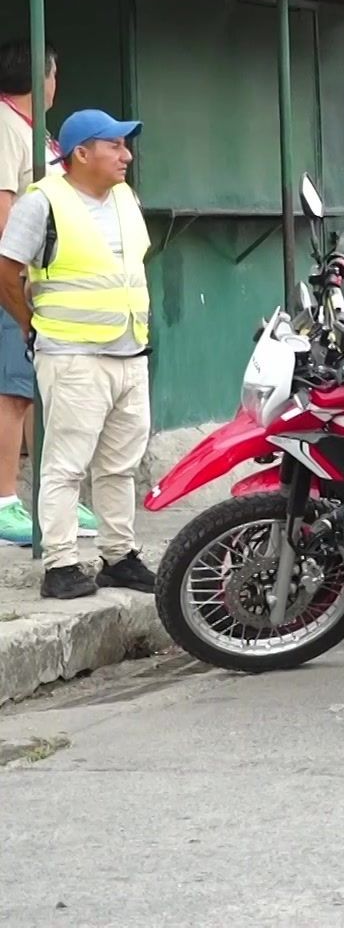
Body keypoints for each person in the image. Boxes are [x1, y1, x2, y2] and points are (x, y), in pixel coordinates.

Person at [0, 108, 155, 601]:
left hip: (129, 351)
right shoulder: (43, 201)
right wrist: (29, 323)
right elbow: (6, 269)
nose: (126, 155)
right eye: (115, 145)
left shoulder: (126, 198)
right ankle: (61, 564)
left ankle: (118, 556)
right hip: (72, 354)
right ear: (82, 153)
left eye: (125, 145)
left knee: (120, 464)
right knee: (66, 465)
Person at [0, 41, 100, 548]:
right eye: (54, 74)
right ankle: (3, 503)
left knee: (39, 387)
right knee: (13, 389)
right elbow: (3, 206)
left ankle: (49, 495)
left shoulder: (32, 129)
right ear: (42, 78)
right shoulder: (3, 124)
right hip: (12, 277)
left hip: (44, 278)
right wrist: (16, 273)